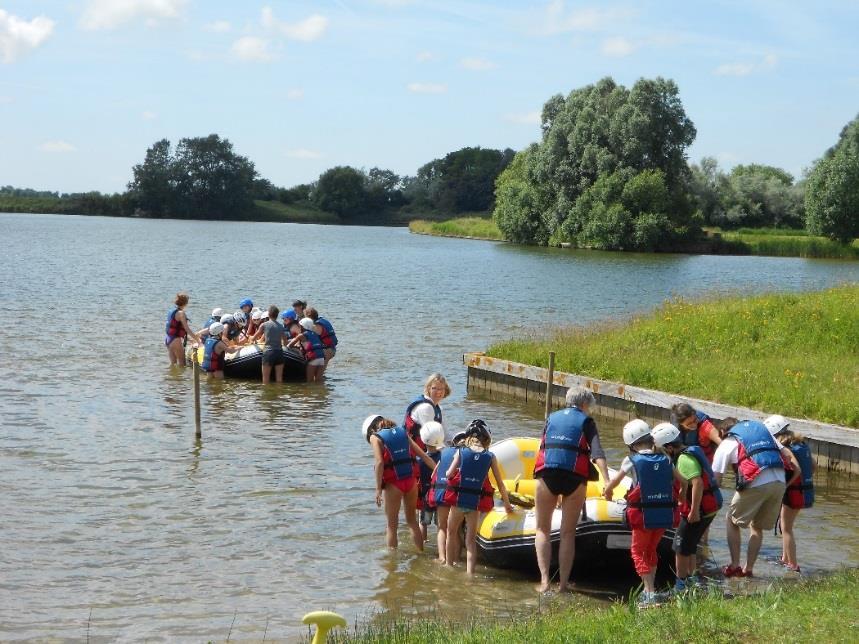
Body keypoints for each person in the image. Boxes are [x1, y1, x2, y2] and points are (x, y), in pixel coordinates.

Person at [532, 386, 609, 594]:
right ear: (585, 404)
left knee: (542, 530)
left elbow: (544, 446)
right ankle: (563, 585)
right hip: (575, 478)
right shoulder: (587, 421)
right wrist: (607, 481)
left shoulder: (551, 418)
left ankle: (545, 582)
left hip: (547, 476)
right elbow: (597, 453)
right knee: (567, 534)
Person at [605, 420, 683, 608]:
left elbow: (614, 483)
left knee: (637, 552)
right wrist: (680, 499)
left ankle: (649, 593)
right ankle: (651, 589)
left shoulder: (630, 460)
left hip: (642, 515)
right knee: (651, 550)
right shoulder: (665, 459)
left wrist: (607, 493)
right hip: (664, 514)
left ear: (631, 444)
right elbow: (684, 482)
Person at [712, 418, 800, 578]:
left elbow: (715, 481)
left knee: (731, 520)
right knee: (757, 526)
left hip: (757, 480)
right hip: (779, 481)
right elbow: (789, 457)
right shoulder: (763, 434)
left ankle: (734, 565)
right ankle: (749, 569)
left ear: (723, 432)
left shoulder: (726, 443)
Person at [652, 422, 723, 593]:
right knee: (690, 545)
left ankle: (680, 585)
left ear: (669, 448)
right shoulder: (690, 451)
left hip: (700, 510)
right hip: (710, 506)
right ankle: (691, 580)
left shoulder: (684, 459)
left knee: (679, 546)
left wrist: (693, 510)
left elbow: (697, 483)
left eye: (661, 450)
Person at [443, 420, 513, 575]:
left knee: (451, 533)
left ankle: (448, 566)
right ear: (486, 438)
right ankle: (470, 574)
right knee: (470, 542)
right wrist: (507, 504)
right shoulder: (490, 456)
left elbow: (448, 474)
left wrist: (455, 473)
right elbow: (500, 484)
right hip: (474, 504)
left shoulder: (461, 452)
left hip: (458, 502)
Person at [362, 414, 435, 551]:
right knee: (412, 521)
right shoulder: (403, 432)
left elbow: (379, 463)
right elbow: (424, 456)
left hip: (394, 485)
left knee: (391, 525)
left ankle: (391, 565)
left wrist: (378, 489)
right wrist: (439, 472)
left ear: (371, 430)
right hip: (411, 482)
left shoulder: (375, 437)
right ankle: (420, 553)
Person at [765, 414, 813, 574]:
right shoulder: (801, 444)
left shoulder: (787, 448)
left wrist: (785, 486)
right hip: (804, 491)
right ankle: (785, 559)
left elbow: (796, 469)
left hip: (793, 493)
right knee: (785, 525)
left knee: (786, 528)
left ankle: (793, 564)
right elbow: (812, 465)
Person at [427, 430, 467, 564]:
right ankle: (456, 559)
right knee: (455, 529)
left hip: (441, 493)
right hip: (456, 496)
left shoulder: (444, 453)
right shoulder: (467, 455)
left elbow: (433, 475)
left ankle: (442, 557)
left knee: (442, 527)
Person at [418, 421, 445, 544]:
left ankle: (423, 543)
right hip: (440, 494)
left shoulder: (420, 459)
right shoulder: (444, 456)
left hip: (425, 495)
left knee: (423, 523)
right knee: (441, 527)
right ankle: (442, 548)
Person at [250, 306, 286, 384]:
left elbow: (254, 337)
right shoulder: (281, 326)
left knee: (265, 379)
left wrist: (252, 340)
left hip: (269, 352)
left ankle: (266, 394)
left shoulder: (264, 325)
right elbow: (285, 342)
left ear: (269, 314)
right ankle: (279, 393)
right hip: (279, 352)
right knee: (279, 379)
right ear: (277, 315)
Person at [286, 317, 326, 382]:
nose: (299, 327)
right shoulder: (315, 334)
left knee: (309, 382)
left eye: (300, 326)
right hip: (321, 359)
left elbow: (289, 346)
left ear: (303, 327)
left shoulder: (301, 335)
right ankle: (319, 392)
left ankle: (309, 392)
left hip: (313, 359)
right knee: (319, 381)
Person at [165, 292, 199, 365]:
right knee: (182, 363)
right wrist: (197, 340)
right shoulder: (181, 313)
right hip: (175, 340)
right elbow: (187, 329)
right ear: (185, 303)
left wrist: (189, 339)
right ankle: (181, 376)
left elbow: (175, 327)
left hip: (168, 339)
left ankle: (172, 376)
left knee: (173, 364)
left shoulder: (171, 311)